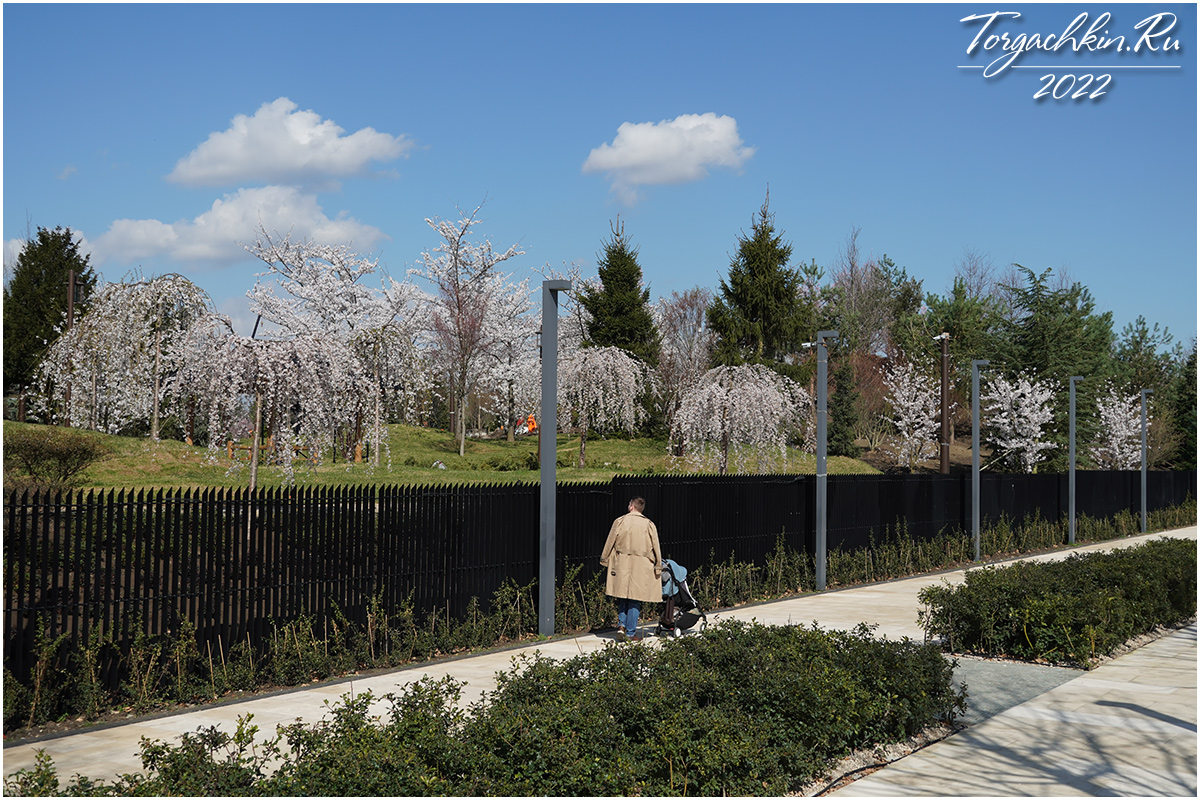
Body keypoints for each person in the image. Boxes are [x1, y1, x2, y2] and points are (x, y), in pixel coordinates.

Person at [599, 496, 662, 641]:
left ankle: (622, 626)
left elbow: (610, 541)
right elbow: (656, 546)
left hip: (622, 562)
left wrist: (605, 558)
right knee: (635, 598)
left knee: (623, 596)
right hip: (641, 564)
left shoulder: (620, 521)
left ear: (631, 506)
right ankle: (630, 632)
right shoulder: (649, 524)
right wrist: (658, 565)